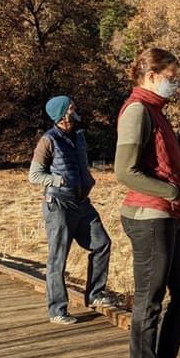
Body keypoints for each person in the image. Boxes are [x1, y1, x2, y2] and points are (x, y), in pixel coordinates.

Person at [115, 48, 180, 358]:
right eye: (171, 76)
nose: (175, 83)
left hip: (168, 218)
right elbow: (125, 171)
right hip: (149, 217)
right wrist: (171, 192)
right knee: (149, 304)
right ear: (151, 76)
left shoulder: (154, 111)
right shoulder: (137, 111)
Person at [29, 95, 119, 325]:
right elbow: (34, 176)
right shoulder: (48, 141)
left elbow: (80, 165)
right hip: (59, 205)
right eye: (71, 108)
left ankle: (95, 295)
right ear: (61, 115)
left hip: (82, 203)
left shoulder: (79, 138)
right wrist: (58, 181)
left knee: (102, 244)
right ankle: (57, 310)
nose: (76, 111)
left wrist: (88, 178)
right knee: (58, 258)